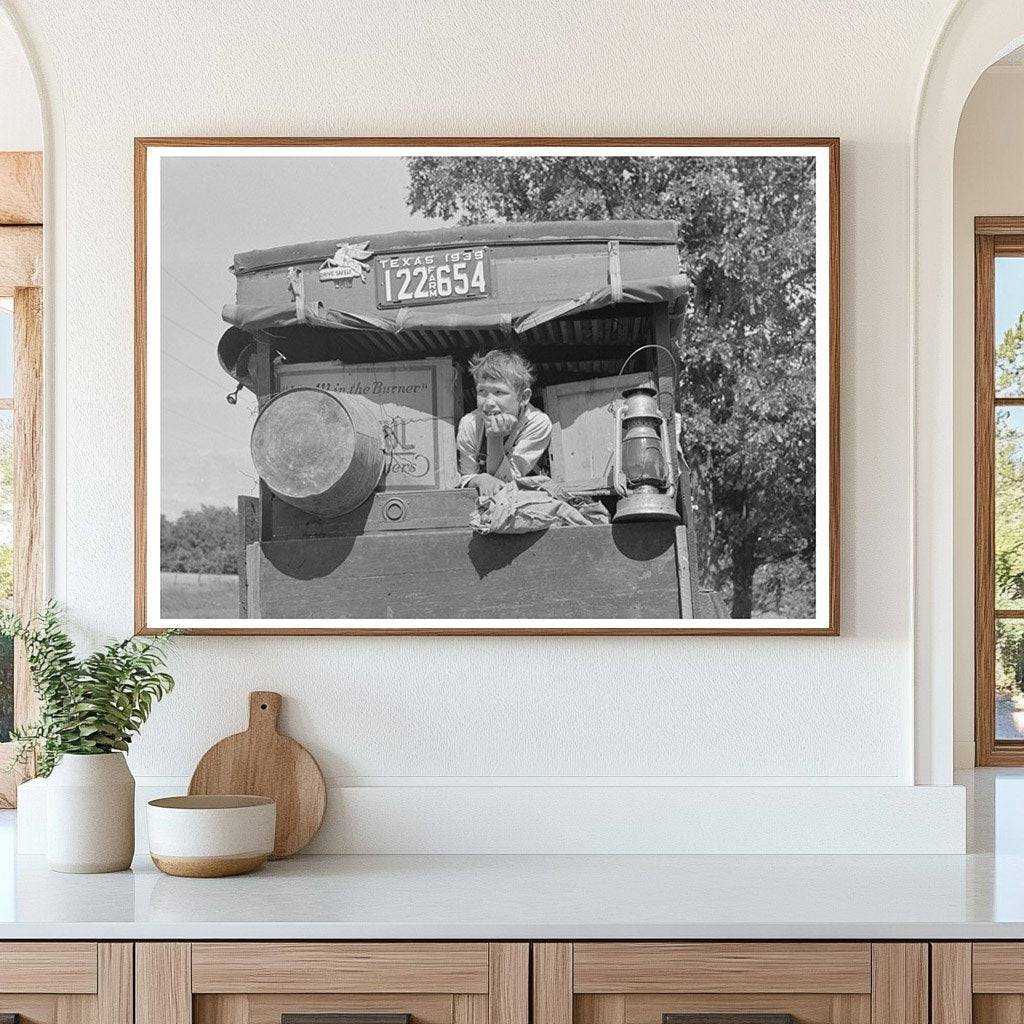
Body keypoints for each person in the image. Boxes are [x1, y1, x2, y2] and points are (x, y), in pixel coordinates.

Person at [457, 350, 552, 497]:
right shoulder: (470, 424)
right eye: (482, 391)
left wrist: (494, 438)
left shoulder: (537, 423)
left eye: (499, 392)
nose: (488, 402)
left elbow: (506, 481)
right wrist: (480, 479)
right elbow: (466, 475)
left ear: (524, 397)